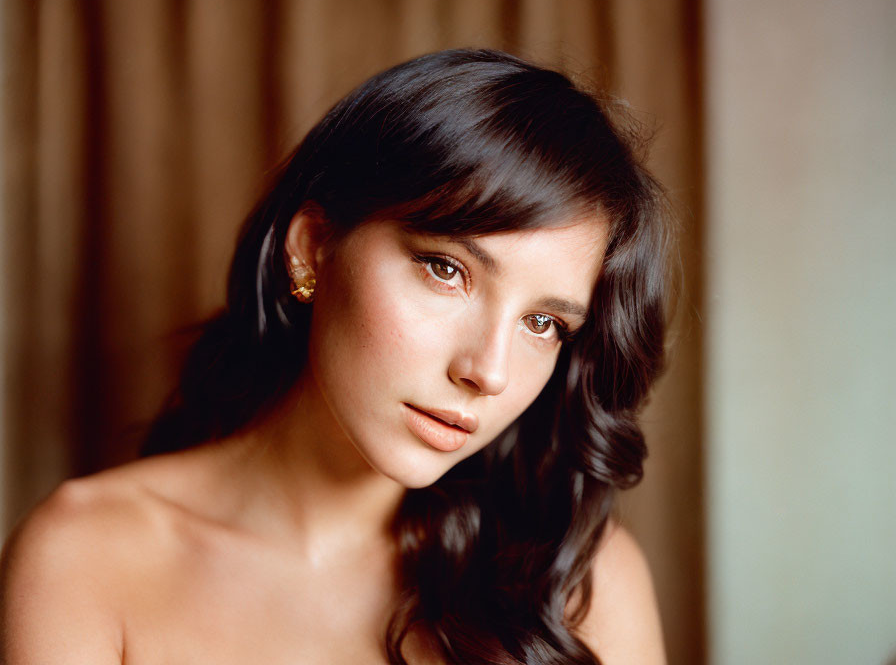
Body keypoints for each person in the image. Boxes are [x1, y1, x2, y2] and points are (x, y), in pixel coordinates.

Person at [0, 49, 670, 664]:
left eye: (543, 322)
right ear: (312, 246)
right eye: (445, 270)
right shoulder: (86, 557)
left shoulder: (580, 580)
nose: (487, 371)